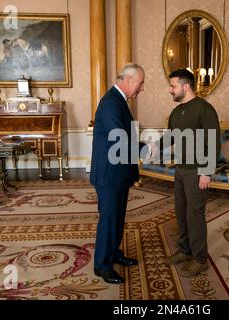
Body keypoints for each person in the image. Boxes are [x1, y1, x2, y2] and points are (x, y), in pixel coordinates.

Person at [153, 69, 221, 278]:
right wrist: (156, 145)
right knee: (181, 212)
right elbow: (171, 135)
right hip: (181, 170)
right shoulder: (177, 111)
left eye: (173, 86)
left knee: (194, 215)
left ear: (186, 86)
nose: (170, 90)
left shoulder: (204, 109)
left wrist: (206, 172)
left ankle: (200, 259)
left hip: (197, 171)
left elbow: (213, 141)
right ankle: (185, 251)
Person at [90, 63, 147, 284]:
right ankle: (102, 266)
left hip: (118, 172)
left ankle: (112, 254)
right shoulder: (110, 103)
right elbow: (118, 138)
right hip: (109, 174)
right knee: (109, 219)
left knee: (118, 217)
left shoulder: (118, 100)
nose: (141, 88)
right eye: (140, 83)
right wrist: (144, 148)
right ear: (130, 80)